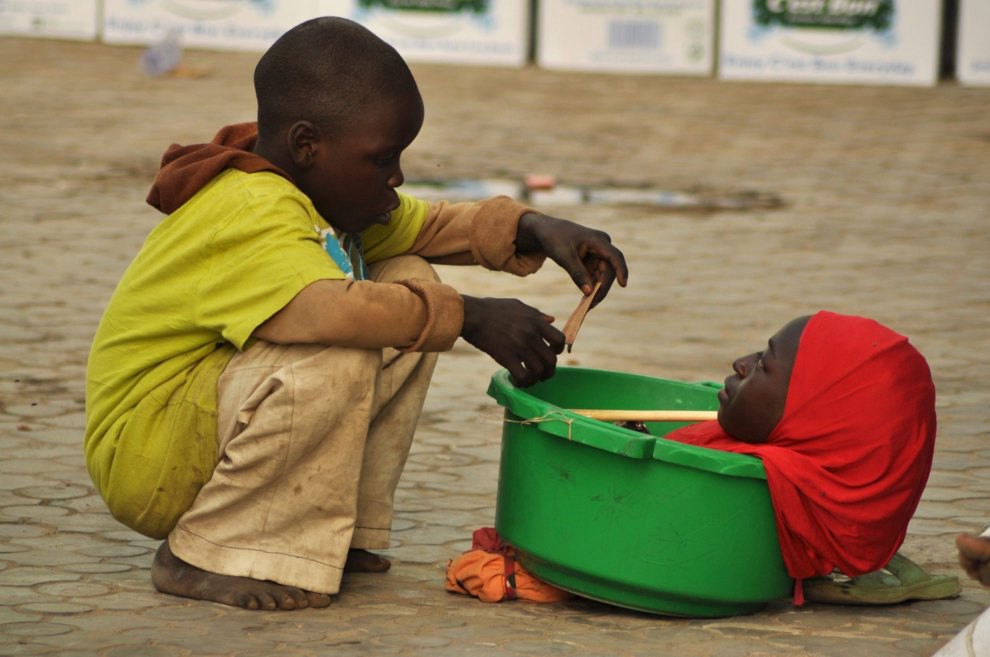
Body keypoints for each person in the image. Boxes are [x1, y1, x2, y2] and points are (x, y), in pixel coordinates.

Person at [83, 16, 627, 611]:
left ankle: (325, 531)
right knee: (347, 342)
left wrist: (536, 227)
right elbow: (323, 313)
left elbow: (428, 227)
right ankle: (201, 553)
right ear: (307, 145)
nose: (396, 176)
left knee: (409, 278)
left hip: (197, 421)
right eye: (382, 158)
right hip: (148, 454)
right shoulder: (248, 207)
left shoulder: (316, 188)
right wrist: (470, 317)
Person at [666, 311, 953, 604]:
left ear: (811, 418)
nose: (741, 363)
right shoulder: (798, 469)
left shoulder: (777, 473)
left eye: (762, 365)